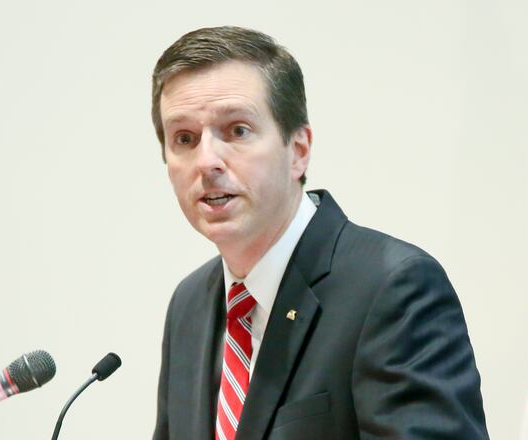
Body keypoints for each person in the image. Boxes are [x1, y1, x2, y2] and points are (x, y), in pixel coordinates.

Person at [151, 26, 488, 440]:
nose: (207, 161)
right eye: (184, 138)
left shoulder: (393, 288)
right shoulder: (189, 305)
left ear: (298, 150)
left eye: (237, 130)